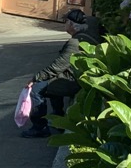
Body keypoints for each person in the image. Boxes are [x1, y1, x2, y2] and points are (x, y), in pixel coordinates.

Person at [22, 8, 99, 137]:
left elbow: (56, 67)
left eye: (66, 22)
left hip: (74, 81)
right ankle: (58, 118)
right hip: (81, 75)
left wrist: (35, 78)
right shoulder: (89, 32)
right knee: (53, 81)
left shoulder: (74, 44)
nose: (65, 25)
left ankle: (39, 127)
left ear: (71, 24)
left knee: (36, 89)